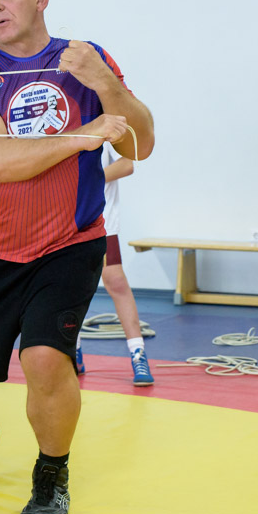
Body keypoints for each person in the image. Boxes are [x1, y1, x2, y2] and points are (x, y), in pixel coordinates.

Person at [0, 0, 154, 514]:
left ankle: (51, 474)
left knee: (46, 361)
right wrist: (81, 136)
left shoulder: (86, 58)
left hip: (70, 242)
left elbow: (142, 143)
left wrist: (103, 84)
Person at [74, 142, 154, 385]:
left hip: (101, 219)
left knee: (115, 280)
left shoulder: (107, 122)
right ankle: (72, 350)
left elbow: (127, 164)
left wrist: (87, 178)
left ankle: (138, 353)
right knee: (68, 285)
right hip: (65, 220)